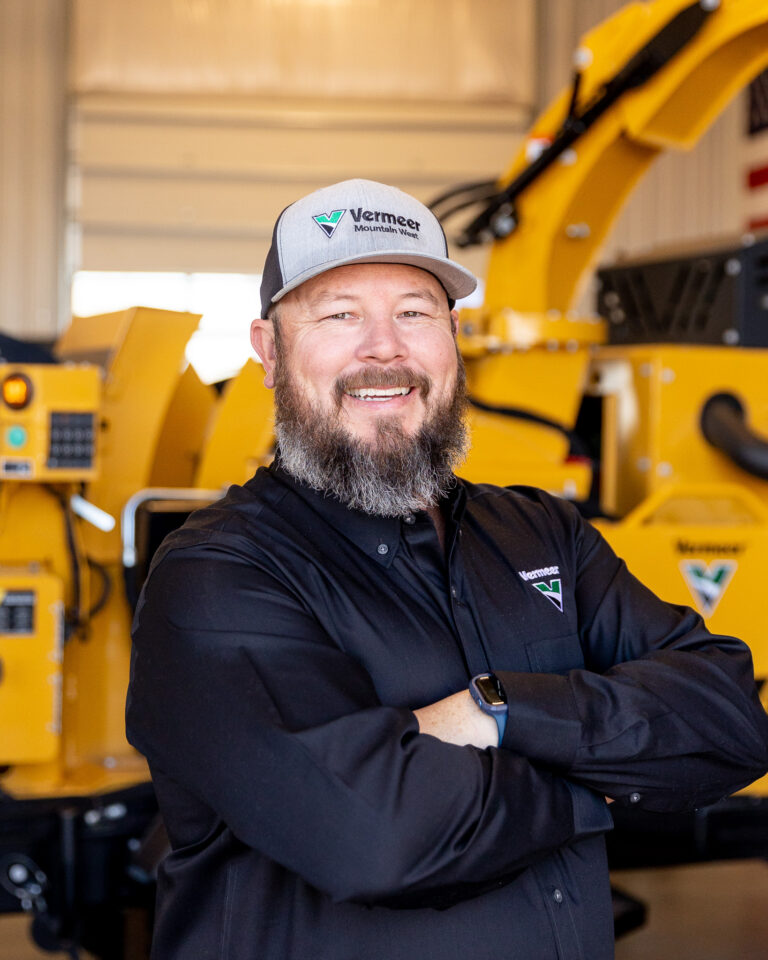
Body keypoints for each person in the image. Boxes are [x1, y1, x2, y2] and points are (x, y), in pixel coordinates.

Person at [127, 179, 768, 960]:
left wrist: (497, 711)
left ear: (453, 338)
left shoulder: (543, 533)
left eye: (414, 311)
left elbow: (731, 717)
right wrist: (598, 777)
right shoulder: (217, 576)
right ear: (268, 351)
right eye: (339, 314)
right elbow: (374, 835)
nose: (383, 347)